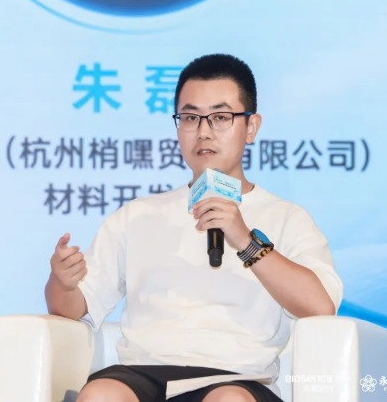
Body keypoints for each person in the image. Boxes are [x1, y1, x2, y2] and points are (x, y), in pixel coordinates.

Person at [45, 53, 344, 402]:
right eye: (190, 118)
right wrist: (62, 282)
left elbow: (320, 307)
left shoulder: (286, 217)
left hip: (238, 379)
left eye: (220, 117)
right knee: (100, 394)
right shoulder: (136, 216)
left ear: (251, 127)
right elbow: (72, 308)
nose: (203, 132)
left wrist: (245, 241)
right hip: (143, 375)